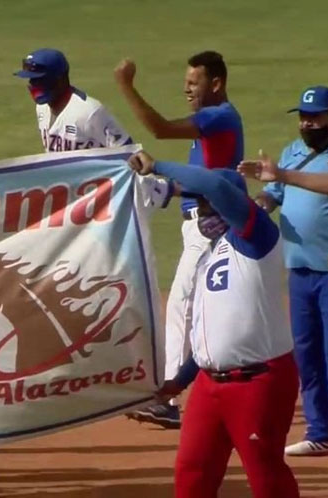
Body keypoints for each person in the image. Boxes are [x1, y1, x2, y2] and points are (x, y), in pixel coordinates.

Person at [130, 150, 299, 498]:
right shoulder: (211, 253)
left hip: (257, 382)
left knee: (266, 478)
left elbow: (212, 185)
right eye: (200, 204)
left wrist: (158, 165)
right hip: (208, 385)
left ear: (229, 203)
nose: (202, 211)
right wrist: (180, 381)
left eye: (207, 203)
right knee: (192, 473)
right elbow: (210, 334)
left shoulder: (257, 237)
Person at [114, 51, 244, 428]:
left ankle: (167, 399)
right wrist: (168, 188)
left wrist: (125, 86)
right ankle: (198, 382)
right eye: (186, 81)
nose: (186, 88)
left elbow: (159, 129)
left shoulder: (218, 117)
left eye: (194, 82)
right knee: (195, 307)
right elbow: (201, 175)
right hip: (198, 223)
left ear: (216, 83)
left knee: (183, 306)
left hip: (208, 227)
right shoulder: (212, 124)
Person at [240, 86, 328, 462]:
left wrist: (281, 175)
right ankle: (320, 432)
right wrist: (260, 204)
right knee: (306, 352)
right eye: (303, 117)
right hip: (299, 268)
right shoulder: (292, 152)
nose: (307, 124)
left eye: (315, 117)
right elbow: (274, 193)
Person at [13, 48, 131, 152]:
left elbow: (128, 151)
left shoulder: (90, 112)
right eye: (32, 80)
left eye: (40, 80)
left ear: (60, 79)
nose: (33, 85)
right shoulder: (41, 108)